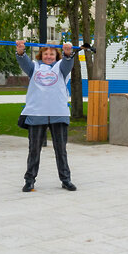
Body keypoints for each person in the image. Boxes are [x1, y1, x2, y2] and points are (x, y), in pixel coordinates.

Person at [16, 40, 77, 192]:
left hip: (58, 114)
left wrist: (68, 53)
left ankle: (66, 179)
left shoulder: (61, 67)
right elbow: (24, 62)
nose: (49, 56)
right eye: (46, 53)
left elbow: (68, 63)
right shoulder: (34, 67)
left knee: (61, 150)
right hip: (37, 114)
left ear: (57, 55)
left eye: (52, 53)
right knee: (34, 149)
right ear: (41, 54)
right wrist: (21, 51)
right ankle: (29, 180)